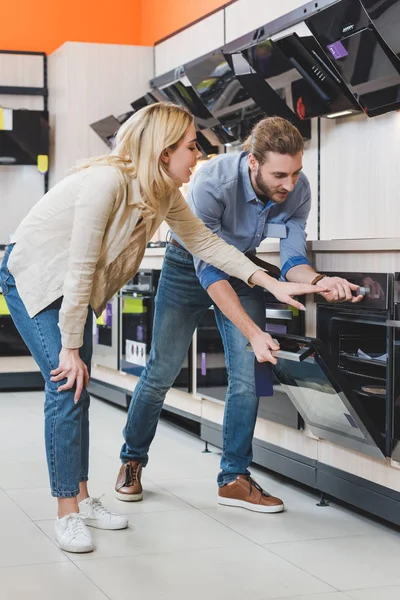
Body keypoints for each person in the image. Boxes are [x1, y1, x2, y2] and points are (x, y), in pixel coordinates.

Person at [0, 104, 321, 554]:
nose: (198, 155)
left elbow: (209, 244)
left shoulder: (163, 192)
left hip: (72, 289)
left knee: (79, 387)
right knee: (66, 386)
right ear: (164, 150)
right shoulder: (107, 183)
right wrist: (71, 345)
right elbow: (80, 266)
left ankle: (84, 497)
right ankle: (66, 512)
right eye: (191, 147)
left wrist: (270, 281)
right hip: (33, 277)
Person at [115, 116, 362, 514]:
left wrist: (319, 279)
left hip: (242, 265)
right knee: (162, 369)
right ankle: (132, 459)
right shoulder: (212, 182)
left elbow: (292, 259)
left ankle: (233, 477)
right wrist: (252, 330)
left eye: (296, 172)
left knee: (246, 373)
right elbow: (209, 267)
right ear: (251, 161)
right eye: (280, 174)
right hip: (188, 264)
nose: (290, 183)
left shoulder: (296, 190)